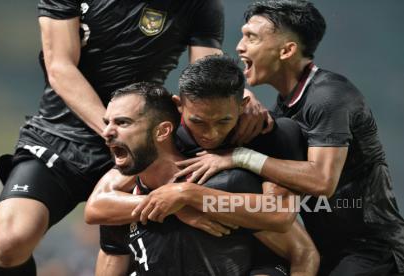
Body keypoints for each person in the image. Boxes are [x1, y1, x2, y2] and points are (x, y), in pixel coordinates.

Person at [0, 0, 235, 275]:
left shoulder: (200, 5)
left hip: (141, 142)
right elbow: (59, 67)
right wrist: (115, 131)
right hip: (60, 135)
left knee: (124, 250)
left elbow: (205, 82)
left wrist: (240, 99)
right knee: (9, 244)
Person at [167, 1, 404, 275]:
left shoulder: (329, 96)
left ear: (287, 50)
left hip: (374, 250)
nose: (240, 47)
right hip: (330, 249)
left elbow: (322, 181)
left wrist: (238, 158)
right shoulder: (282, 109)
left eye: (251, 37)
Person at [86, 56, 319, 275]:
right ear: (179, 108)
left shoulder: (257, 148)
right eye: (198, 121)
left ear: (241, 106)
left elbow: (281, 218)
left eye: (223, 121)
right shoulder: (136, 180)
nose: (211, 133)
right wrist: (175, 205)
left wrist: (191, 192)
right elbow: (96, 208)